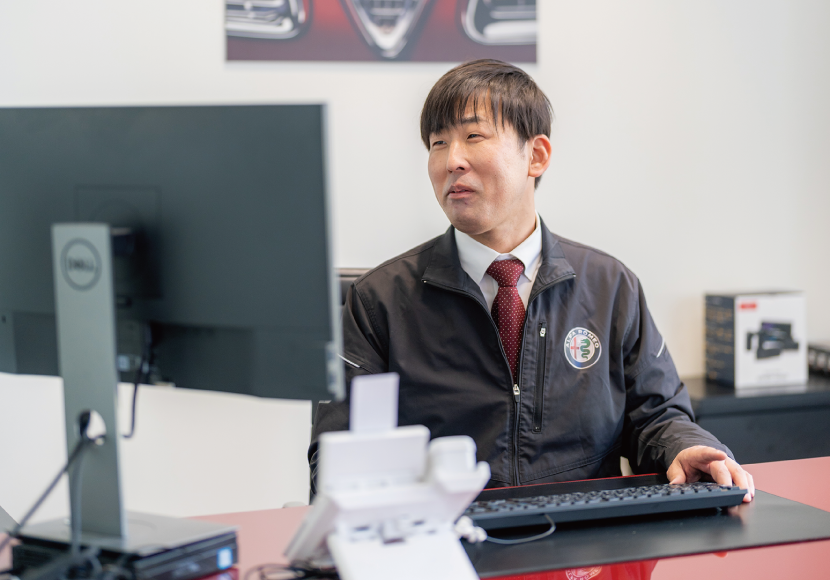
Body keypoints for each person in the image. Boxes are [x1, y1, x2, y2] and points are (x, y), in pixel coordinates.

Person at [310, 59, 754, 502]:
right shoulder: (378, 302)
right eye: (438, 143)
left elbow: (657, 416)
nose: (451, 161)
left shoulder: (611, 286)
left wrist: (685, 447)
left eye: (473, 136)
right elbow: (340, 459)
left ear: (536, 156)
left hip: (586, 534)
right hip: (450, 533)